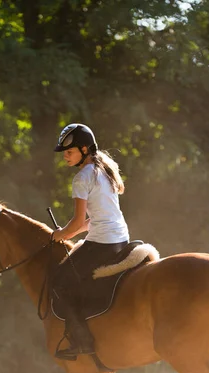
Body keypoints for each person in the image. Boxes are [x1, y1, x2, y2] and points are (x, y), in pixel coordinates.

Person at [52, 123, 129, 360]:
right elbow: (92, 219)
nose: (65, 156)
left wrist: (59, 235)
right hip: (121, 239)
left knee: (60, 281)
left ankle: (81, 340)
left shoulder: (82, 177)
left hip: (102, 242)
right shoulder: (103, 170)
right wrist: (71, 232)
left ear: (84, 149)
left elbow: (76, 222)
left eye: (69, 151)